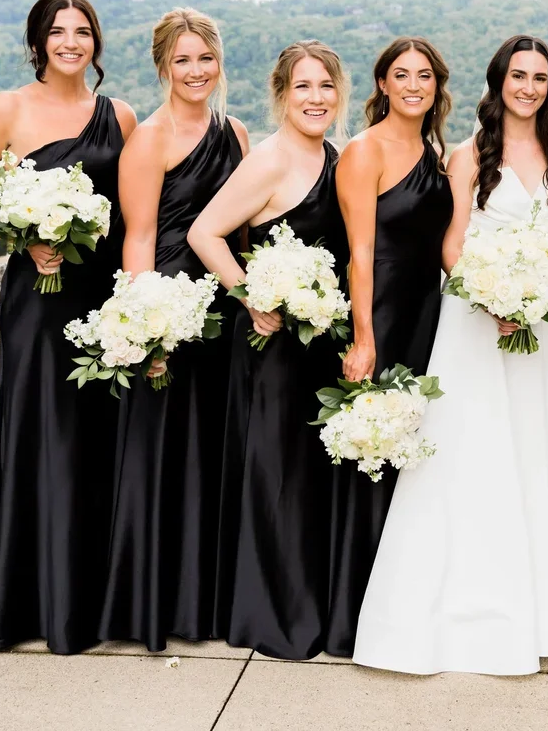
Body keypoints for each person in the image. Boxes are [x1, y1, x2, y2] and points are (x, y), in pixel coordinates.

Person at [355, 36, 548, 674]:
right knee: (475, 455)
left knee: (541, 457)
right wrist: (489, 294)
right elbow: (452, 243)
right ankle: (470, 613)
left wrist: (536, 295)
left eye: (540, 77)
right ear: (498, 81)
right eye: (517, 75)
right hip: (479, 322)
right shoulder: (471, 156)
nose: (528, 87)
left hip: (544, 330)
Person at [0, 0, 137, 654]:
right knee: (46, 437)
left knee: (101, 440)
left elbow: (140, 206)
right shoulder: (8, 108)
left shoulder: (119, 113)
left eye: (82, 30)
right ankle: (32, 606)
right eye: (58, 31)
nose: (71, 42)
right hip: (40, 292)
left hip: (104, 296)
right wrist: (20, 234)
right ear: (38, 42)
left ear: (96, 42)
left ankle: (99, 604)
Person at [187, 40, 350, 660]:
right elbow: (205, 231)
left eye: (326, 87)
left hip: (320, 343)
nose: (316, 98)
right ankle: (271, 610)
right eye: (304, 87)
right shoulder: (270, 160)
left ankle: (311, 597)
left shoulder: (336, 156)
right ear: (283, 94)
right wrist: (250, 295)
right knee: (275, 475)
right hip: (274, 343)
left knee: (310, 477)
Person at [99, 9, 249, 651]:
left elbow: (241, 229)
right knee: (164, 454)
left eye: (206, 59)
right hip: (169, 308)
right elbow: (135, 238)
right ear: (163, 65)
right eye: (183, 60)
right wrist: (148, 329)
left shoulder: (236, 131)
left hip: (225, 308)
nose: (196, 71)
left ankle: (209, 602)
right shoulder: (151, 139)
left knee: (214, 450)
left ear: (219, 63)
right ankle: (153, 604)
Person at [329, 37, 454, 655]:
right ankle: (357, 607)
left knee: (413, 450)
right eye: (400, 75)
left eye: (423, 76)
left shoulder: (435, 150)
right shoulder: (364, 150)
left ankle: (405, 594)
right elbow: (359, 253)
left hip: (429, 314)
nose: (413, 85)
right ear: (381, 84)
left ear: (436, 86)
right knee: (372, 449)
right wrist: (364, 337)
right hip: (379, 314)